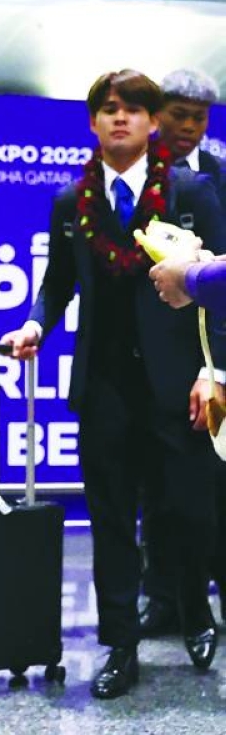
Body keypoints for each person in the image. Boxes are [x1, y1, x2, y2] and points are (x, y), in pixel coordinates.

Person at [2, 69, 225, 700]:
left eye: (133, 109)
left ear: (153, 123)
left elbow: (221, 293)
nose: (119, 118)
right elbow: (57, 287)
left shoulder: (192, 192)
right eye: (107, 109)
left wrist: (214, 372)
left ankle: (194, 607)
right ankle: (119, 646)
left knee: (186, 510)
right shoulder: (71, 204)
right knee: (109, 521)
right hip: (103, 386)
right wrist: (35, 325)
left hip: (180, 382)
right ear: (94, 123)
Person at [140, 68, 225, 635]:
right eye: (179, 114)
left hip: (209, 350)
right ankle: (162, 597)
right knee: (155, 485)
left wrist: (215, 365)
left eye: (200, 117)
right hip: (147, 355)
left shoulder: (218, 176)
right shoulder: (127, 176)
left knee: (212, 482)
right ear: (155, 115)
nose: (190, 127)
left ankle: (205, 600)